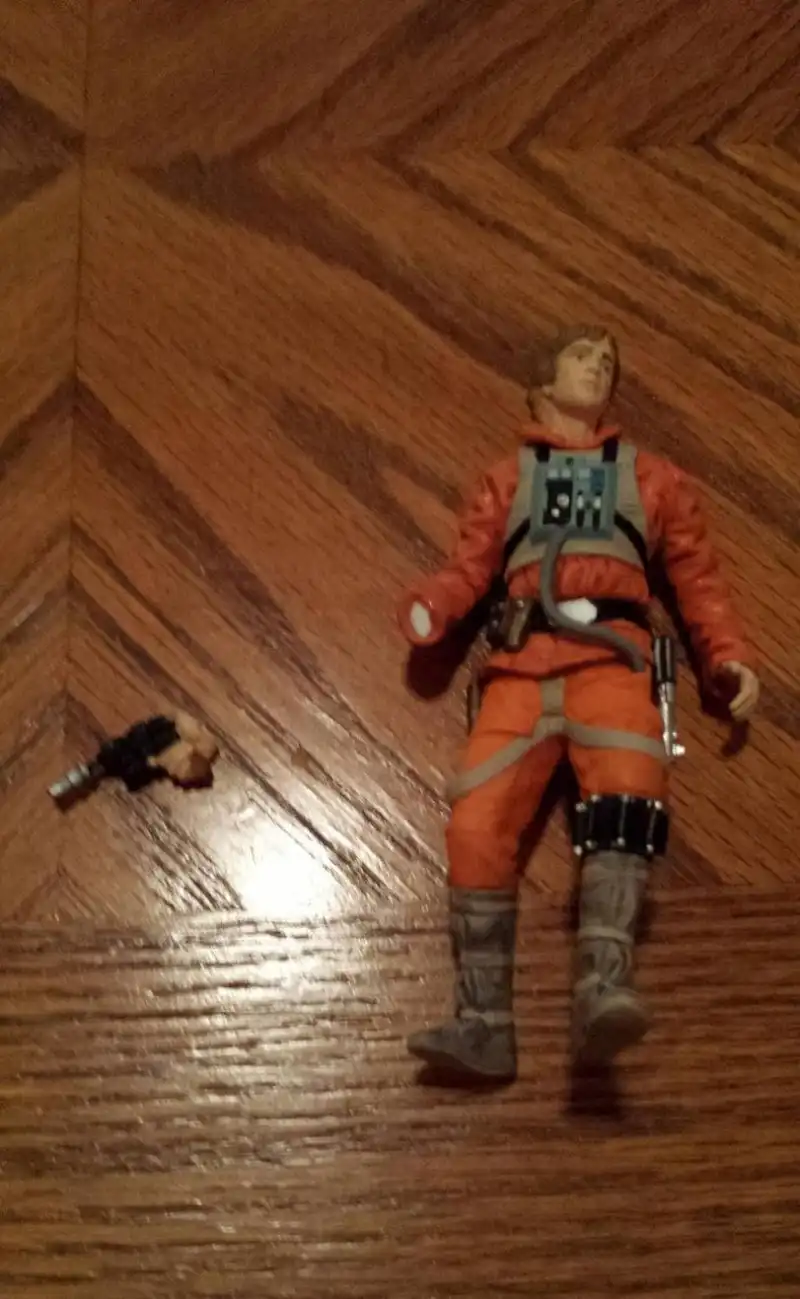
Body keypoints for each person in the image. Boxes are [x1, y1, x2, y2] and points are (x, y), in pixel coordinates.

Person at [397, 324, 759, 1082]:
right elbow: (469, 566)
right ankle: (482, 1023)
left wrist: (725, 655)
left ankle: (604, 988)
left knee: (630, 798)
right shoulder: (505, 481)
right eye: (582, 356)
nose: (597, 368)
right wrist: (434, 607)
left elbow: (697, 578)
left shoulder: (653, 479)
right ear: (541, 381)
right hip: (522, 670)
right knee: (475, 823)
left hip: (614, 665)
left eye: (607, 363)